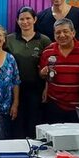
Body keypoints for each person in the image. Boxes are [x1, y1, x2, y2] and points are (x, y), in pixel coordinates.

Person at [5, 7, 52, 138]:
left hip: (36, 89)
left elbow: (50, 67)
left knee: (34, 123)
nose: (25, 22)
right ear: (17, 21)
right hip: (14, 89)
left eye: (28, 18)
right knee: (16, 122)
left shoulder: (44, 40)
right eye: (22, 19)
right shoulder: (9, 39)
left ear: (35, 19)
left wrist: (47, 89)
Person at [39, 18, 79, 124]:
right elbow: (43, 75)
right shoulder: (47, 51)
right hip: (55, 104)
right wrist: (43, 73)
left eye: (65, 31)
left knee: (77, 139)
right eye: (58, 32)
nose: (61, 35)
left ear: (73, 32)